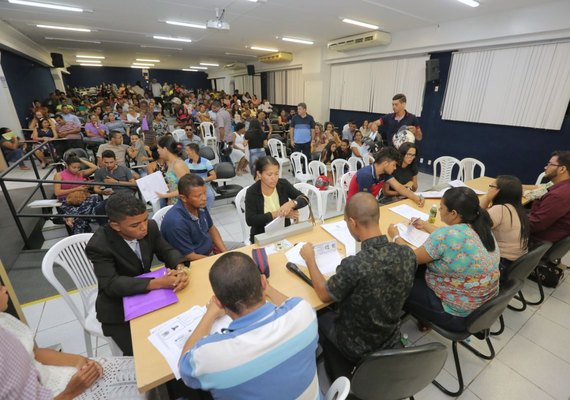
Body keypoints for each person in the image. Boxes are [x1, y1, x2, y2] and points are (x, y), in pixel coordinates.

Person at [299, 192, 416, 379]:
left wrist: (310, 259)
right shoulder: (407, 255)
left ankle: (333, 364)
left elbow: (323, 293)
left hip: (355, 346)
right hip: (390, 336)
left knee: (318, 314)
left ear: (353, 223)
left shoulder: (355, 265)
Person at [179, 252, 320, 399]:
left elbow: (184, 365)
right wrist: (268, 289)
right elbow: (289, 304)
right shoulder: (304, 312)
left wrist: (209, 314)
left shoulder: (209, 356)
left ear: (219, 302)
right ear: (263, 283)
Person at [86, 192, 189, 356]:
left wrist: (181, 268)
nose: (144, 228)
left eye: (145, 220)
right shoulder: (99, 245)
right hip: (118, 305)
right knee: (148, 355)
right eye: (135, 225)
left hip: (150, 295)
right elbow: (111, 284)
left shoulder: (151, 227)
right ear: (116, 226)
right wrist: (157, 283)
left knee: (180, 339)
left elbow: (166, 251)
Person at [0, 285, 144, 400]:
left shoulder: (4, 320)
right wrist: (70, 393)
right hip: (61, 393)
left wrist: (80, 361)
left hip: (55, 377)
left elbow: (34, 353)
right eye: (0, 288)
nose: (5, 289)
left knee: (140, 372)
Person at [388, 187, 500, 332]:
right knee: (422, 268)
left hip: (456, 315)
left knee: (396, 277)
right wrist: (426, 225)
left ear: (453, 213)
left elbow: (411, 257)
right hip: (481, 309)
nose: (439, 210)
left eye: (441, 208)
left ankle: (390, 325)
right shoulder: (483, 229)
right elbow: (454, 240)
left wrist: (395, 236)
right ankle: (423, 319)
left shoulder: (446, 236)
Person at [162, 174, 241, 260]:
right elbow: (189, 256)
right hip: (196, 259)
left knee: (244, 250)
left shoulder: (199, 205)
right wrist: (218, 261)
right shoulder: (176, 223)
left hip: (210, 248)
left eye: (205, 193)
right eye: (198, 196)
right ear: (183, 198)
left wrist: (225, 252)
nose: (204, 198)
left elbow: (211, 228)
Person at [245, 156, 307, 243]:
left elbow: (304, 198)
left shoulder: (283, 184)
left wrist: (291, 204)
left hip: (284, 232)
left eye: (276, 173)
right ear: (259, 174)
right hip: (262, 236)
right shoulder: (252, 192)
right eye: (269, 175)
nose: (274, 178)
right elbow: (251, 220)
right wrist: (279, 214)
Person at [480, 175, 529, 271]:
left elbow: (475, 225)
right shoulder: (517, 208)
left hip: (503, 263)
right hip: (517, 262)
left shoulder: (500, 209)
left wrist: (487, 198)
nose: (489, 189)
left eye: (491, 186)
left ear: (499, 191)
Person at [346, 147, 425, 206]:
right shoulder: (365, 175)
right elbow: (365, 201)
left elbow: (399, 187)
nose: (395, 168)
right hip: (356, 208)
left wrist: (415, 198)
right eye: (394, 165)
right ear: (386, 164)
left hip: (369, 203)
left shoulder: (384, 173)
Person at [528, 151, 570, 244]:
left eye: (550, 164)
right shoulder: (564, 187)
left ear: (562, 169)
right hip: (552, 234)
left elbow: (534, 225)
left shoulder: (558, 195)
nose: (545, 167)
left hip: (537, 240)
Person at [53, 152, 100, 234]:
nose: (76, 169)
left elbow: (95, 167)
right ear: (67, 166)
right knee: (80, 220)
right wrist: (77, 188)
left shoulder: (80, 173)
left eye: (78, 167)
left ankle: (71, 217)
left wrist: (80, 159)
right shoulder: (59, 175)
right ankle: (82, 222)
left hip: (81, 199)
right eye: (73, 167)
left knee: (95, 197)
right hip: (66, 200)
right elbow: (57, 193)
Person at [156, 135, 190, 205]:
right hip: (174, 203)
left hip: (182, 205)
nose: (157, 150)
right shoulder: (171, 163)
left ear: (165, 149)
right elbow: (175, 184)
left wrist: (164, 196)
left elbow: (186, 188)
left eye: (158, 148)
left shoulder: (178, 165)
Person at [184, 143, 217, 210]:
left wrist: (202, 180)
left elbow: (214, 176)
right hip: (190, 184)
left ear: (193, 151)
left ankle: (204, 212)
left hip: (202, 183)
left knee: (210, 196)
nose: (186, 152)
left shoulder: (206, 162)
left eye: (187, 150)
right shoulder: (186, 162)